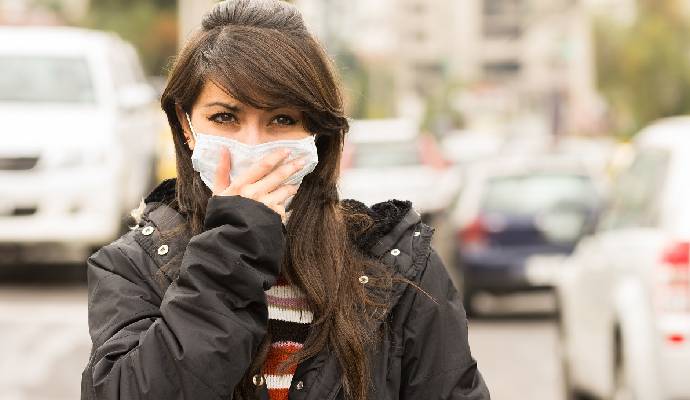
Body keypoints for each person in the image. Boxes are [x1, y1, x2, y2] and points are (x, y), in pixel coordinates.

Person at [80, 1, 491, 399]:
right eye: (225, 118)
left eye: (282, 120)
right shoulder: (134, 266)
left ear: (318, 134)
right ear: (186, 126)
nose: (253, 145)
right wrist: (231, 253)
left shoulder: (399, 267)